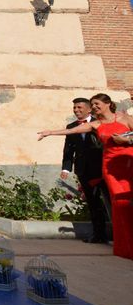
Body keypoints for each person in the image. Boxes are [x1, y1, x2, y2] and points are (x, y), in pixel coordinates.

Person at [38, 93, 133, 259]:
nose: (94, 107)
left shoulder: (126, 118)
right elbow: (72, 131)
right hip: (110, 167)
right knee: (119, 205)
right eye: (93, 104)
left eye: (96, 104)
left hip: (128, 162)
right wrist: (51, 132)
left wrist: (127, 141)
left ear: (107, 103)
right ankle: (125, 247)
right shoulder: (96, 124)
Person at [60, 97, 109, 243]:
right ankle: (98, 235)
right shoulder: (71, 126)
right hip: (83, 170)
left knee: (110, 201)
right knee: (93, 203)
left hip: (102, 169)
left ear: (89, 109)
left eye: (79, 108)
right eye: (75, 108)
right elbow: (68, 151)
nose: (76, 110)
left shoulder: (100, 122)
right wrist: (66, 168)